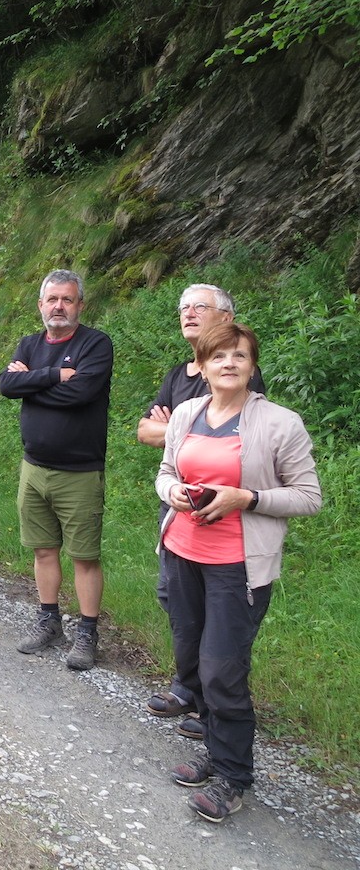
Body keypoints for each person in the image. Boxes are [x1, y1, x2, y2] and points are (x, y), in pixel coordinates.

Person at [156, 321, 320, 823]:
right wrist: (174, 494)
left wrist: (245, 498)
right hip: (182, 554)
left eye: (240, 356)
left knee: (223, 671)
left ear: (252, 366)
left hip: (237, 568)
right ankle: (213, 744)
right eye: (219, 356)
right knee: (192, 661)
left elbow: (309, 497)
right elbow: (165, 474)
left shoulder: (279, 423)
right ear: (201, 366)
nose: (229, 363)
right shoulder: (186, 413)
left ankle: (232, 776)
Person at [137, 284, 265, 740]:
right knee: (175, 599)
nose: (188, 314)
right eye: (183, 308)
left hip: (225, 522)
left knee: (219, 620)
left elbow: (243, 440)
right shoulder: (178, 372)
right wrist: (174, 430)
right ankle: (188, 688)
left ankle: (214, 703)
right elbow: (145, 431)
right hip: (175, 508)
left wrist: (173, 427)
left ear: (226, 317)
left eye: (200, 307)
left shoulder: (239, 373)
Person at [0, 269, 114, 671]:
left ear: (80, 305)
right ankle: (49, 621)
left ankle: (87, 632)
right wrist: (51, 376)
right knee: (43, 550)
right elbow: (6, 386)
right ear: (41, 305)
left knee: (84, 556)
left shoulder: (95, 344)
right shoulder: (30, 343)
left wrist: (30, 383)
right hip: (33, 469)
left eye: (67, 299)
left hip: (79, 472)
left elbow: (80, 393)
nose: (59, 307)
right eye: (52, 300)